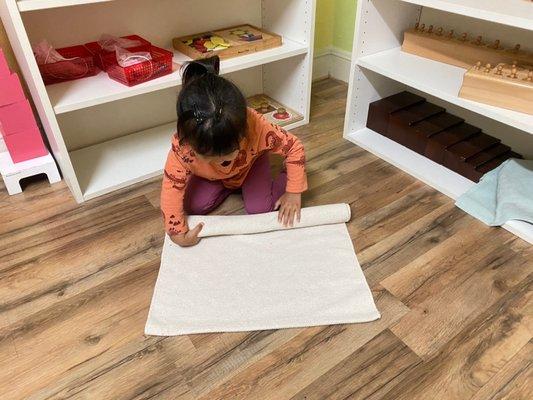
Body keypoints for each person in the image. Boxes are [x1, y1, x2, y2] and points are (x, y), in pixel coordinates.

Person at [161, 56, 307, 247]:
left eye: (227, 153)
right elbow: (171, 187)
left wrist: (293, 192)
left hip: (251, 166)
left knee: (259, 210)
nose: (220, 160)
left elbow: (295, 147)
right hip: (215, 178)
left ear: (244, 131)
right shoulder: (183, 147)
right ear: (189, 142)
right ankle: (231, 185)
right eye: (210, 157)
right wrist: (176, 234)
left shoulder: (258, 127)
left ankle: (281, 175)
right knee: (193, 207)